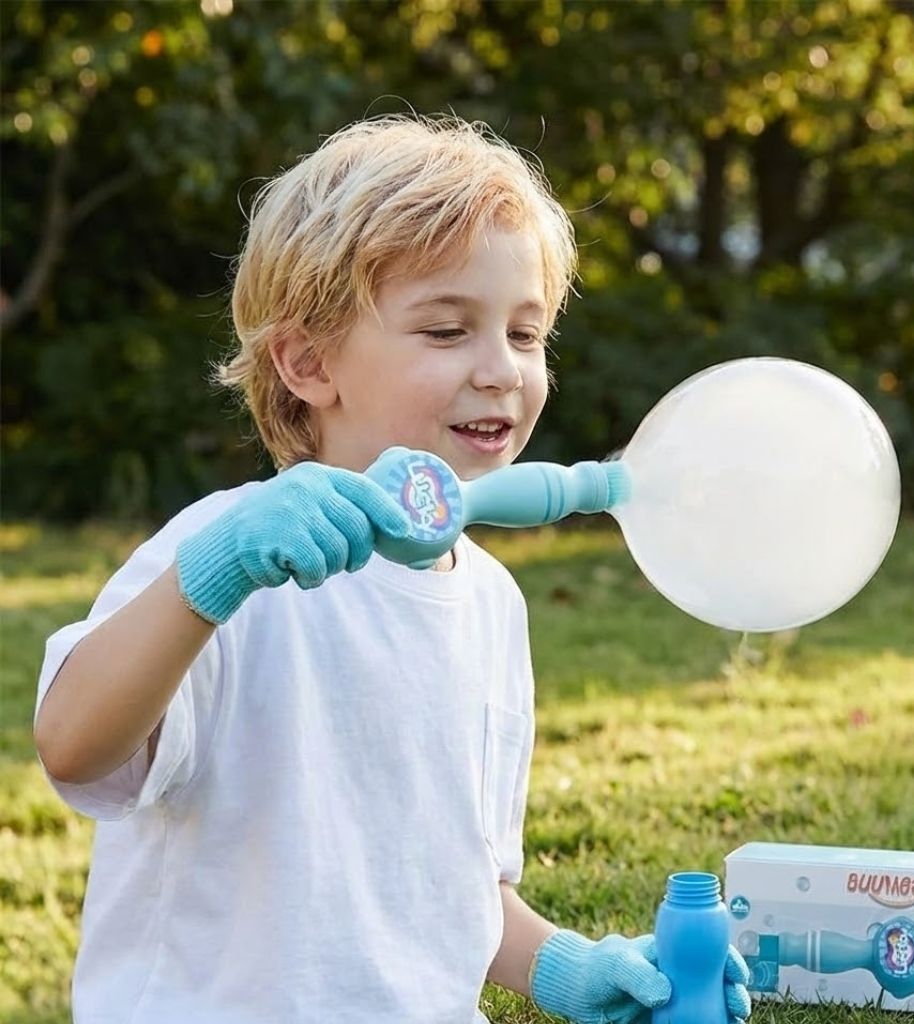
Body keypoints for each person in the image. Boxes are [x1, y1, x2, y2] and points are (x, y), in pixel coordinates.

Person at [34, 113, 751, 1024]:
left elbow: (454, 890)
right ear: (308, 361)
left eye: (526, 335)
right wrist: (207, 581)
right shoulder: (223, 552)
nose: (500, 370)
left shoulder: (490, 600)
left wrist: (572, 969)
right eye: (448, 330)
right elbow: (75, 743)